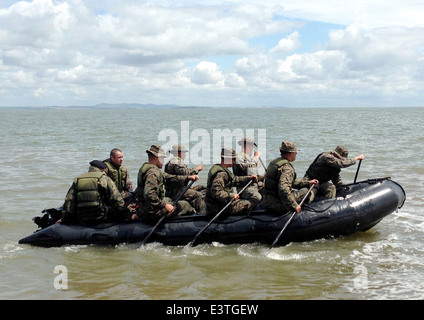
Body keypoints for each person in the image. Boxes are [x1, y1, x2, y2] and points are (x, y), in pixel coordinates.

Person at [133, 145, 198, 222]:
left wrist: (187, 177)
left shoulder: (145, 168)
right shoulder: (153, 173)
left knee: (169, 199)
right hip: (153, 212)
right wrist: (165, 205)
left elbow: (140, 191)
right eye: (162, 158)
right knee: (185, 205)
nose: (163, 161)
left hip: (145, 208)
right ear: (156, 158)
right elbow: (149, 194)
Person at [59, 160, 131, 226]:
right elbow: (116, 199)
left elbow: (69, 201)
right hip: (100, 217)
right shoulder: (105, 179)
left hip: (82, 217)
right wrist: (126, 215)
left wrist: (65, 219)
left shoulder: (78, 179)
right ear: (103, 169)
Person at [263, 142, 318, 214]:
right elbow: (283, 189)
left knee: (303, 187)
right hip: (278, 204)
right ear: (290, 153)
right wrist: (294, 205)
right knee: (305, 191)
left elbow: (291, 182)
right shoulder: (287, 168)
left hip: (267, 201)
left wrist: (308, 183)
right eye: (295, 152)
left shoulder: (274, 163)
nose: (296, 154)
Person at [206, 148, 257, 217]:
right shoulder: (221, 173)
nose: (234, 161)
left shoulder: (220, 168)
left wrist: (248, 178)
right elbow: (216, 192)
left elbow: (234, 180)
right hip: (218, 207)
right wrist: (231, 196)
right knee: (248, 203)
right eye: (233, 159)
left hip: (217, 204)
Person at [165, 144, 206, 214]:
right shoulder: (175, 161)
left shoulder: (175, 161)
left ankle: (195, 209)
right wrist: (197, 169)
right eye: (184, 153)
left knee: (203, 188)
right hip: (175, 191)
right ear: (179, 153)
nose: (185, 155)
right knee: (198, 195)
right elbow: (186, 173)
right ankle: (202, 215)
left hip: (179, 188)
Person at [233, 137, 264, 209]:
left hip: (255, 186)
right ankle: (243, 208)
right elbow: (250, 169)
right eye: (252, 146)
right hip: (245, 188)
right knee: (257, 197)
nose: (252, 148)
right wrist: (256, 157)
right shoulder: (239, 157)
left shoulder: (249, 158)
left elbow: (255, 168)